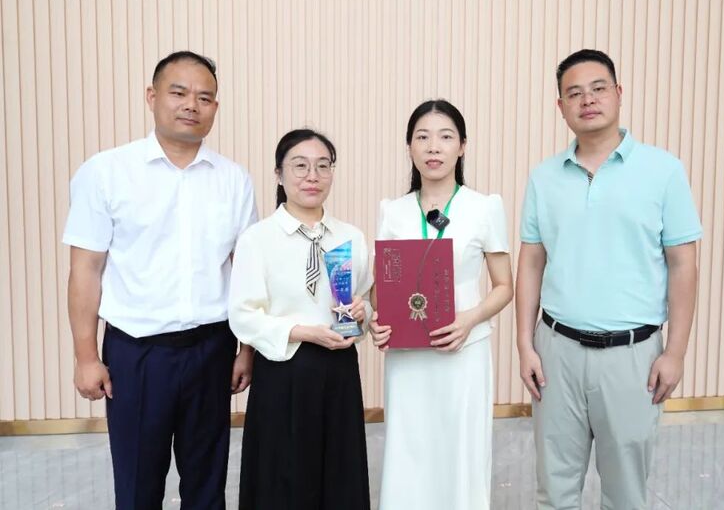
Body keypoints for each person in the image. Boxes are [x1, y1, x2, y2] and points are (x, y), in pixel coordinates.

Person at [64, 50, 258, 509]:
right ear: (152, 97)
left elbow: (247, 271)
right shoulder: (107, 172)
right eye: (179, 93)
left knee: (207, 484)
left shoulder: (234, 180)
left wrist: (246, 349)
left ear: (215, 107)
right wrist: (86, 357)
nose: (192, 105)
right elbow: (85, 270)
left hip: (212, 350)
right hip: (136, 355)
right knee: (137, 485)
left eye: (205, 97)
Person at [515, 49, 702, 509]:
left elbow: (683, 264)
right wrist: (524, 344)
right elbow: (532, 261)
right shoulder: (544, 178)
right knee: (554, 489)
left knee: (625, 494)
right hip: (556, 352)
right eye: (574, 93)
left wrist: (675, 353)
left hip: (632, 357)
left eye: (598, 88)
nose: (588, 100)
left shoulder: (663, 171)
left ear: (618, 93)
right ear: (560, 106)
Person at [369, 99, 514, 510]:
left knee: (461, 452)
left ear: (462, 146)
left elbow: (504, 286)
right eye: (423, 137)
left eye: (445, 137)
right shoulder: (392, 211)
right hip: (407, 357)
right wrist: (379, 320)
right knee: (409, 450)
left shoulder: (484, 207)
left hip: (462, 351)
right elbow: (382, 288)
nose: (434, 147)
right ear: (409, 147)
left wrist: (469, 319)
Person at [228, 129, 372, 509]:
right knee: (283, 479)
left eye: (323, 166)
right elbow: (243, 314)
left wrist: (363, 313)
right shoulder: (258, 239)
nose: (313, 176)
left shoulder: (351, 237)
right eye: (300, 166)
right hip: (283, 371)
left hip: (340, 370)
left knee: (339, 475)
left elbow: (367, 301)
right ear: (279, 174)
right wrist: (301, 332)